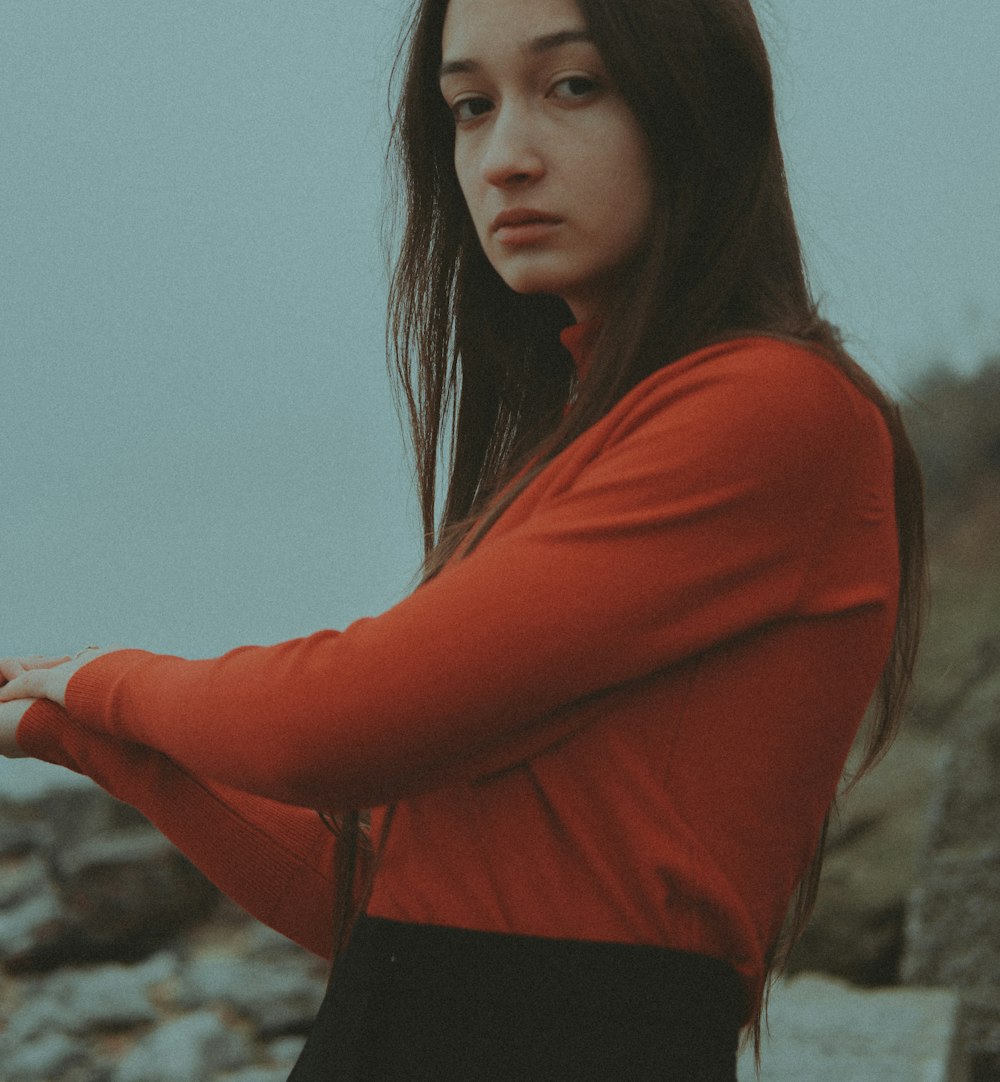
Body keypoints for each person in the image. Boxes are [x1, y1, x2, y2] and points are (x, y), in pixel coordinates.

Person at [0, 0, 925, 1078]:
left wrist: (110, 678)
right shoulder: (572, 449)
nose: (503, 159)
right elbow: (381, 907)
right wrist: (69, 726)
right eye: (470, 107)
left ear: (697, 107)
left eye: (571, 86)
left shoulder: (770, 410)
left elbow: (330, 721)